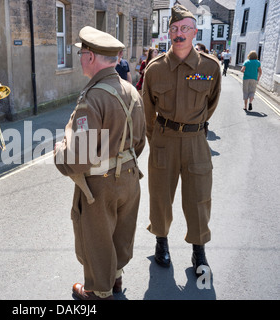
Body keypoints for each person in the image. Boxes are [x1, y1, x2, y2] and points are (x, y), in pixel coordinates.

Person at [54, 26, 146, 300]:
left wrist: (59, 151)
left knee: (96, 239)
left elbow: (79, 158)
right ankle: (115, 280)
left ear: (91, 57)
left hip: (100, 184)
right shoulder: (131, 90)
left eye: (82, 53)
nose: (80, 57)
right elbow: (139, 141)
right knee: (119, 232)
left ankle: (98, 291)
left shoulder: (93, 98)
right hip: (130, 176)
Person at [142, 4, 221, 276]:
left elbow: (211, 103)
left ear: (194, 32)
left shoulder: (210, 68)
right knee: (160, 197)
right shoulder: (154, 69)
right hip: (164, 140)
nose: (179, 33)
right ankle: (161, 242)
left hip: (196, 141)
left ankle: (198, 250)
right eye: (174, 28)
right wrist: (158, 139)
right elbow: (146, 110)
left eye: (184, 28)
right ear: (169, 32)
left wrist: (194, 125)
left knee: (198, 198)